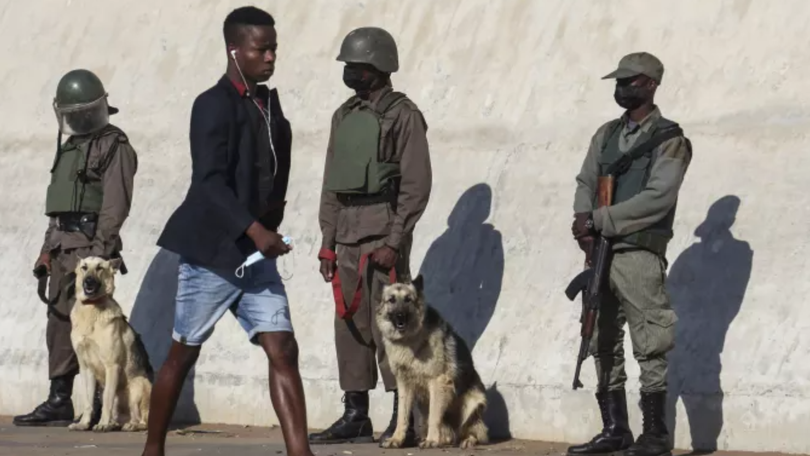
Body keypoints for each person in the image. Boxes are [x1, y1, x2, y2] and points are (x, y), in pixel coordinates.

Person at [141, 6, 312, 456]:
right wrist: (255, 230)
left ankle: (301, 452)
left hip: (255, 257)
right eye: (262, 49)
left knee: (283, 349)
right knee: (183, 355)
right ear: (235, 50)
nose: (271, 56)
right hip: (212, 254)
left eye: (274, 48)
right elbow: (208, 183)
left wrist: (270, 229)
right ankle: (152, 449)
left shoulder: (268, 105)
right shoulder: (211, 105)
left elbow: (271, 173)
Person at [310, 26, 432, 448]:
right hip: (346, 235)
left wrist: (395, 240)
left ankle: (406, 416)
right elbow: (331, 183)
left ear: (379, 66)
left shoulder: (404, 114)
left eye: (358, 67)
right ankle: (355, 412)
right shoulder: (344, 116)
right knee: (350, 325)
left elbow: (416, 185)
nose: (351, 73)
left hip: (383, 233)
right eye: (348, 66)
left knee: (394, 328)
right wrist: (328, 240)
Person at [568, 52, 692, 456]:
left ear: (651, 84)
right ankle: (614, 428)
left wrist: (603, 219)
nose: (621, 89)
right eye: (619, 82)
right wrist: (583, 219)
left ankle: (654, 434)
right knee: (601, 337)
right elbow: (587, 179)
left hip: (638, 252)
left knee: (650, 340)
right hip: (599, 250)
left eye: (630, 82)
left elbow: (659, 197)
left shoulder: (670, 138)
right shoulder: (605, 134)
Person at [13, 69, 138, 428]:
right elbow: (58, 208)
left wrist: (97, 257)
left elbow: (115, 205)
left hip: (89, 248)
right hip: (62, 247)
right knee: (60, 323)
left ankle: (99, 402)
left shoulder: (114, 145)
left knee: (97, 326)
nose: (80, 118)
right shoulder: (69, 147)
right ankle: (59, 398)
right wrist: (45, 251)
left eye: (85, 111)